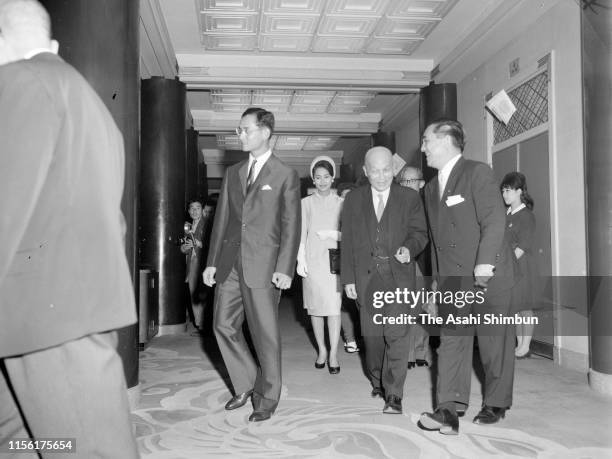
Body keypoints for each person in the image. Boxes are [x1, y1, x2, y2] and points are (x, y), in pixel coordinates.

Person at [0, 1, 139, 456]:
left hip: (41, 314)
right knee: (32, 444)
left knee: (82, 447)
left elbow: (7, 204)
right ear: (53, 44)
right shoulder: (95, 108)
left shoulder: (21, 82)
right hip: (70, 307)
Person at [203, 107, 301, 423]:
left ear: (265, 132)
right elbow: (221, 223)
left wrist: (285, 268)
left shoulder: (285, 174)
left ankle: (267, 397)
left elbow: (291, 225)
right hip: (231, 263)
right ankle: (246, 382)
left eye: (245, 129)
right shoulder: (233, 173)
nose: (240, 135)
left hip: (264, 265)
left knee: (264, 335)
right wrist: (211, 263)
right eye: (239, 130)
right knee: (221, 324)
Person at [418, 119, 516, 435]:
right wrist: (434, 286)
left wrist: (484, 263)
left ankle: (496, 402)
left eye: (426, 140)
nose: (422, 148)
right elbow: (436, 242)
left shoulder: (477, 172)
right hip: (452, 280)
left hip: (487, 275)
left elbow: (494, 221)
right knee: (451, 342)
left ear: (446, 140)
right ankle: (448, 408)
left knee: (492, 345)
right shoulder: (430, 188)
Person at [341, 146, 428, 415]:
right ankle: (377, 378)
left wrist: (409, 249)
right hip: (366, 280)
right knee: (374, 337)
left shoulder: (409, 198)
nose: (381, 176)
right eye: (375, 171)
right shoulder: (354, 200)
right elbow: (349, 241)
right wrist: (347, 279)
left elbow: (419, 233)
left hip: (398, 279)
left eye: (386, 170)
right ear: (366, 172)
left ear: (394, 169)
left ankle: (394, 395)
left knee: (397, 336)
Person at [297, 156, 343, 374]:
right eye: (318, 177)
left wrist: (334, 234)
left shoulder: (343, 203)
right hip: (313, 262)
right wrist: (300, 259)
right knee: (315, 309)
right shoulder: (305, 203)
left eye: (326, 176)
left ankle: (334, 353)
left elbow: (351, 235)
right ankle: (322, 350)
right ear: (312, 180)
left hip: (334, 262)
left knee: (333, 309)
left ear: (333, 177)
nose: (322, 181)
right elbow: (301, 234)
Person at [395, 166, 433, 368]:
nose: (408, 185)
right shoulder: (396, 206)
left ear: (421, 183)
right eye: (404, 181)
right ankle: (408, 354)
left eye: (412, 181)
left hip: (427, 262)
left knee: (425, 309)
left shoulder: (431, 206)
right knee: (408, 308)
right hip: (407, 262)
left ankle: (421, 351)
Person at [501, 172, 537, 358]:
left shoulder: (526, 216)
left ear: (519, 192)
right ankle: (518, 344)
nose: (505, 195)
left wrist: (508, 266)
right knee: (513, 307)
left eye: (509, 191)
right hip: (509, 266)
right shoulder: (505, 214)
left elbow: (523, 246)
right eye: (503, 191)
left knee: (524, 307)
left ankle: (526, 345)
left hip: (521, 267)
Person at [336, 183, 360, 354]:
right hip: (338, 263)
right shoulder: (335, 213)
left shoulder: (363, 213)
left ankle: (363, 337)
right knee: (343, 303)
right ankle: (350, 339)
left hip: (361, 264)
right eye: (344, 196)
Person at [180, 198, 210, 334]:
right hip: (191, 263)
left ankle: (205, 324)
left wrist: (198, 243)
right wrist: (183, 247)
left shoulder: (208, 224)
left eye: (197, 208)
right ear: (188, 211)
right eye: (192, 208)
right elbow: (185, 248)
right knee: (194, 294)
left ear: (203, 210)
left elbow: (211, 245)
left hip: (203, 263)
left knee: (203, 294)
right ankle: (200, 324)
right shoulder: (188, 226)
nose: (194, 210)